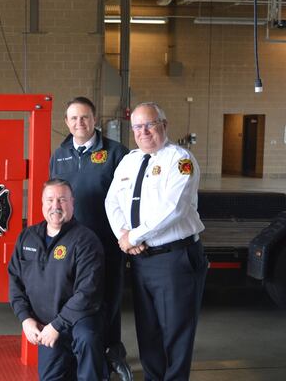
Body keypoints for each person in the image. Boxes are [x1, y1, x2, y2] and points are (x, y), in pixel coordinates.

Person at [105, 102, 207, 381]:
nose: (144, 131)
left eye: (150, 124)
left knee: (175, 332)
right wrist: (122, 236)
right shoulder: (129, 160)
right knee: (147, 330)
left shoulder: (181, 160)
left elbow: (173, 209)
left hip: (175, 259)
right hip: (141, 258)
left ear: (164, 124)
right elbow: (111, 200)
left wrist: (133, 237)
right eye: (137, 126)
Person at [48, 97, 132, 380]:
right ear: (66, 122)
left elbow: (128, 199)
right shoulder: (59, 154)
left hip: (107, 244)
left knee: (107, 301)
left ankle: (109, 353)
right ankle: (78, 352)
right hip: (71, 246)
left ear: (95, 120)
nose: (79, 123)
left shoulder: (116, 153)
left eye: (84, 117)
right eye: (73, 118)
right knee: (72, 298)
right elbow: (54, 200)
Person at [8, 179, 106, 381]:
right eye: (50, 200)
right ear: (42, 203)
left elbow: (87, 292)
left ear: (72, 203)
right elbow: (15, 282)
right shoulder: (27, 237)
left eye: (62, 200)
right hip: (46, 325)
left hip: (79, 320)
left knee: (88, 339)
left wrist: (56, 326)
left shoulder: (86, 240)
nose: (56, 206)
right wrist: (25, 319)